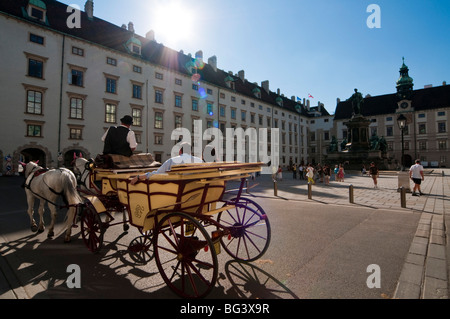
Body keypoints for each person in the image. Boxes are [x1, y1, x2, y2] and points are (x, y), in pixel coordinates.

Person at [130, 142, 202, 184]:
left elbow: (157, 174)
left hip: (177, 193)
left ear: (180, 151)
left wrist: (139, 177)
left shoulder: (172, 161)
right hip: (196, 192)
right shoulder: (200, 161)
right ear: (190, 152)